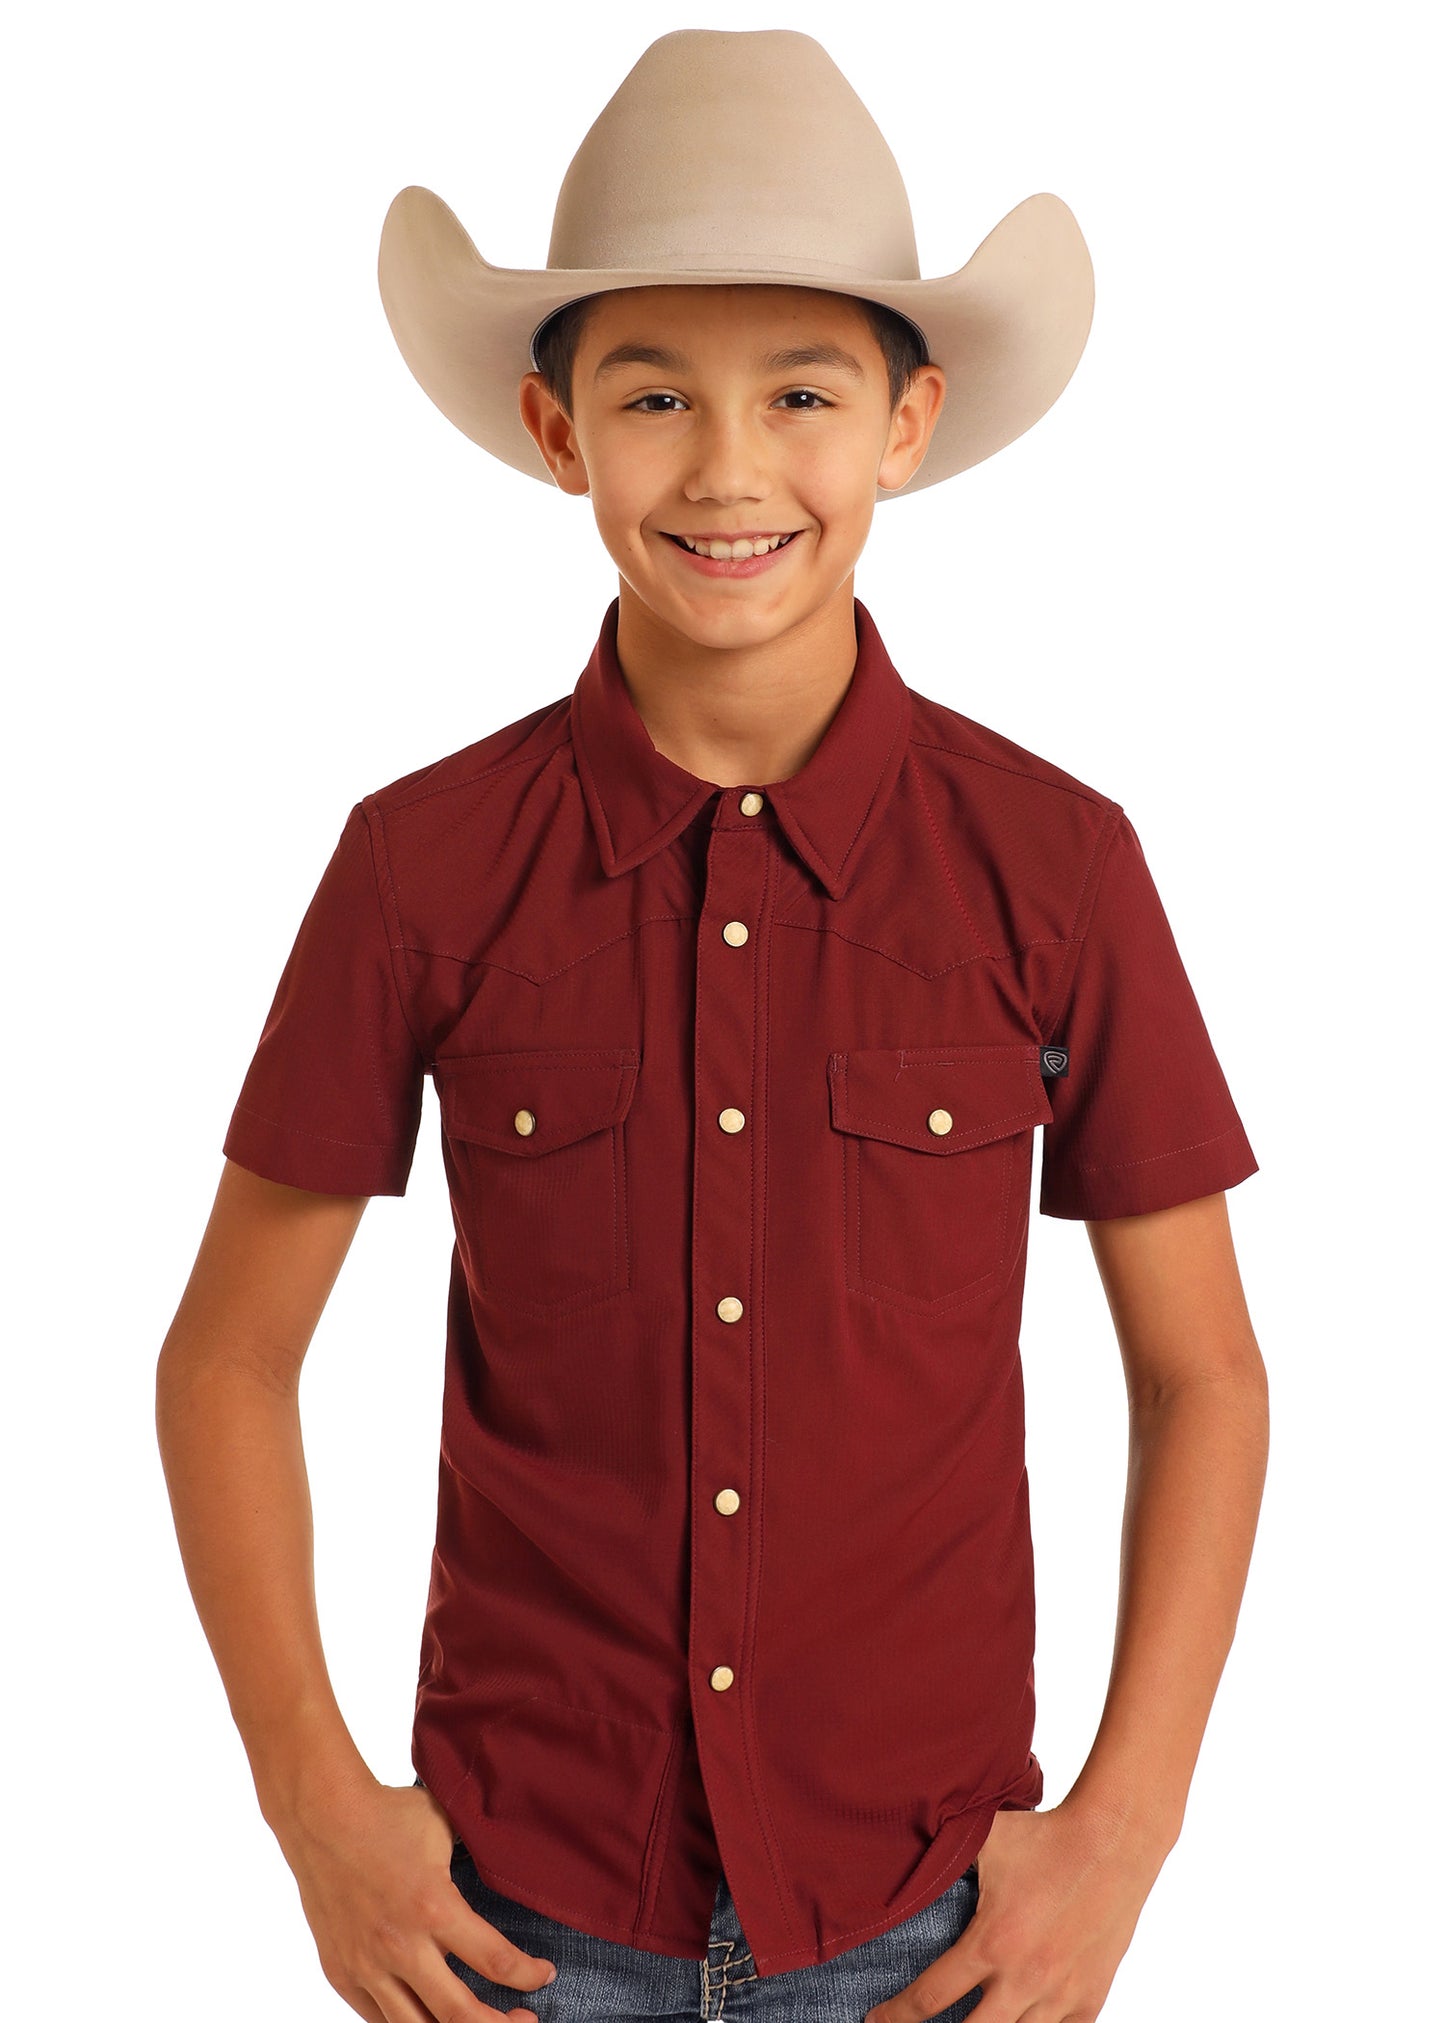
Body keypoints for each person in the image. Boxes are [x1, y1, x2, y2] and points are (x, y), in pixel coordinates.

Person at [156, 29, 1269, 2023]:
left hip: (933, 1930)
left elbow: (1204, 1377)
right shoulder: (422, 868)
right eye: (655, 393)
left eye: (804, 395)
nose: (732, 469)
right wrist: (317, 1808)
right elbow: (226, 1360)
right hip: (515, 1928)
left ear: (909, 423)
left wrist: (1127, 1829)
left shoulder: (1059, 864)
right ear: (559, 427)